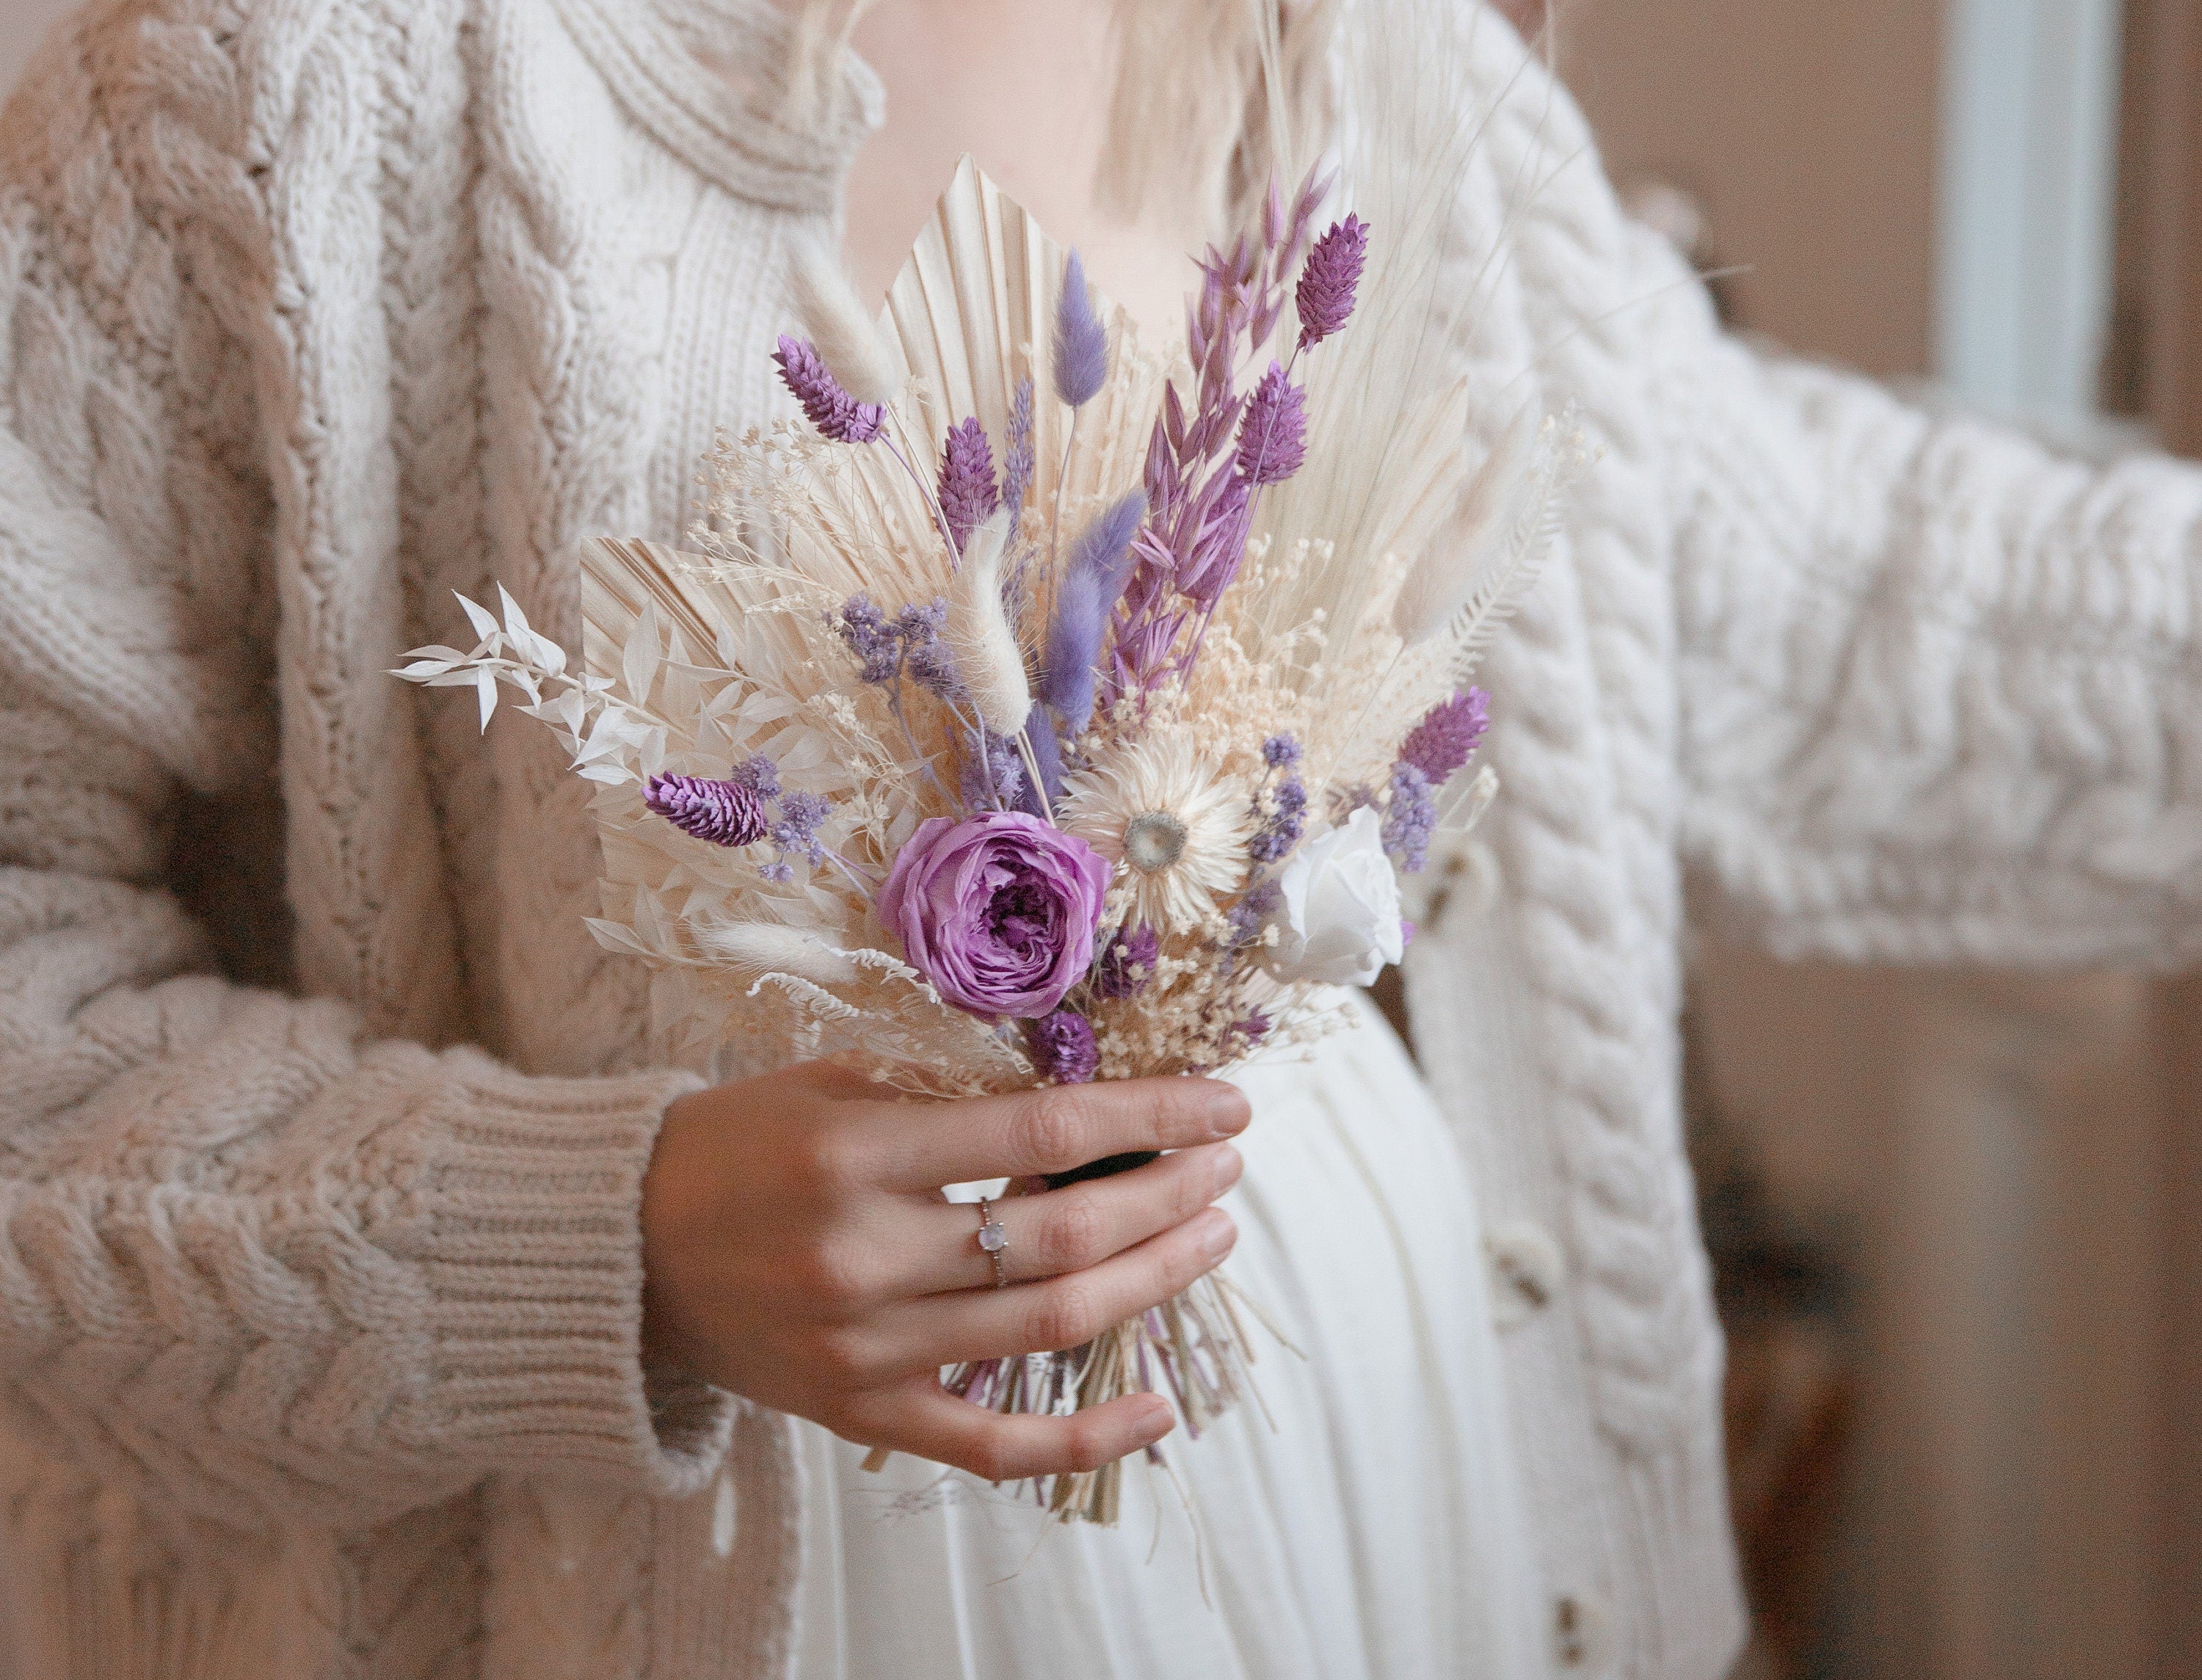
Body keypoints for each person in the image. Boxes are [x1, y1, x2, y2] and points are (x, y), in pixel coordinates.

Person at [3, 1, 2199, 1678]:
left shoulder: (1363, 60)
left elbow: (1857, 614)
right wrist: (611, 1245)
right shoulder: (283, 90)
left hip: (1393, 1499)